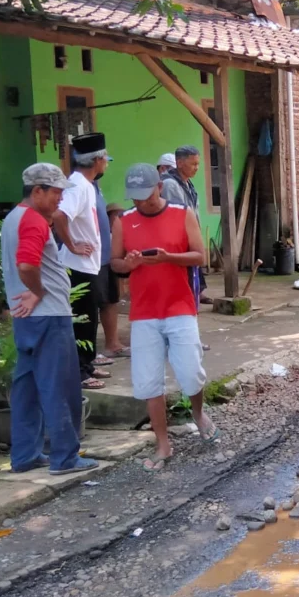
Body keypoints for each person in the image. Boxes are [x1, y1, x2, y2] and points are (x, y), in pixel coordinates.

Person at [111, 164, 215, 471]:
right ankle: (162, 443)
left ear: (159, 186)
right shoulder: (123, 221)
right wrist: (128, 264)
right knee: (148, 381)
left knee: (191, 371)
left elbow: (200, 256)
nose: (140, 203)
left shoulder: (182, 214)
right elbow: (114, 264)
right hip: (143, 312)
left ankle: (198, 414)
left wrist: (169, 258)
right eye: (135, 198)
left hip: (180, 307)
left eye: (145, 196)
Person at [0, 163, 98, 476]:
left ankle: (26, 454)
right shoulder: (34, 221)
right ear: (37, 191)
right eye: (55, 192)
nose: (59, 198)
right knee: (60, 386)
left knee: (27, 387)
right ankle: (65, 457)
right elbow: (27, 265)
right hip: (48, 315)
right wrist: (39, 292)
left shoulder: (13, 217)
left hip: (26, 318)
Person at [53, 133, 111, 389]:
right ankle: (80, 372)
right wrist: (71, 244)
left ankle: (86, 363)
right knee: (83, 320)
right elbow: (59, 216)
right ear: (98, 160)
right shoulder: (77, 186)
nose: (107, 164)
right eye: (105, 159)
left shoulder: (86, 184)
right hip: (77, 266)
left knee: (90, 316)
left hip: (88, 265)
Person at [159, 145, 212, 305]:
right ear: (180, 163)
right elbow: (175, 216)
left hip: (189, 239)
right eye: (193, 164)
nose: (197, 168)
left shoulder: (186, 183)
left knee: (192, 281)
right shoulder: (170, 184)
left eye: (198, 164)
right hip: (178, 243)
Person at [92, 176, 128, 362]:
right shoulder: (81, 187)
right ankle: (90, 354)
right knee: (93, 305)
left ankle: (112, 344)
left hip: (106, 258)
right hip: (92, 259)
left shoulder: (96, 187)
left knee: (111, 300)